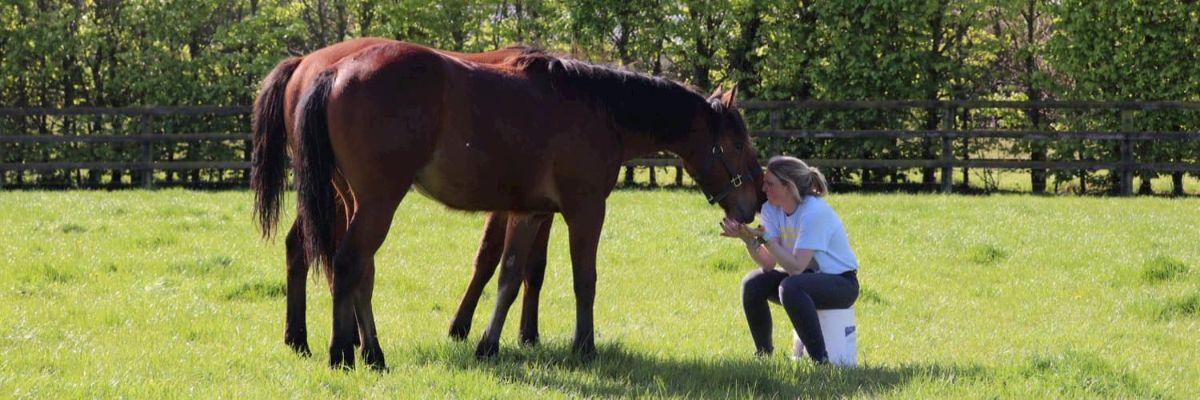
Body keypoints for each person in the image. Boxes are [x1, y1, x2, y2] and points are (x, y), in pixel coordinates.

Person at [720, 155, 859, 364]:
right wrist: (748, 239)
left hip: (842, 283)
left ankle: (820, 360)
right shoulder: (770, 209)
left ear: (788, 186)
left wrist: (765, 238)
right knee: (753, 283)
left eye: (770, 184)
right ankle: (764, 356)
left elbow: (796, 267)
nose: (763, 189)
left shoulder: (814, 212)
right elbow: (769, 263)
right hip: (805, 278)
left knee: (792, 287)